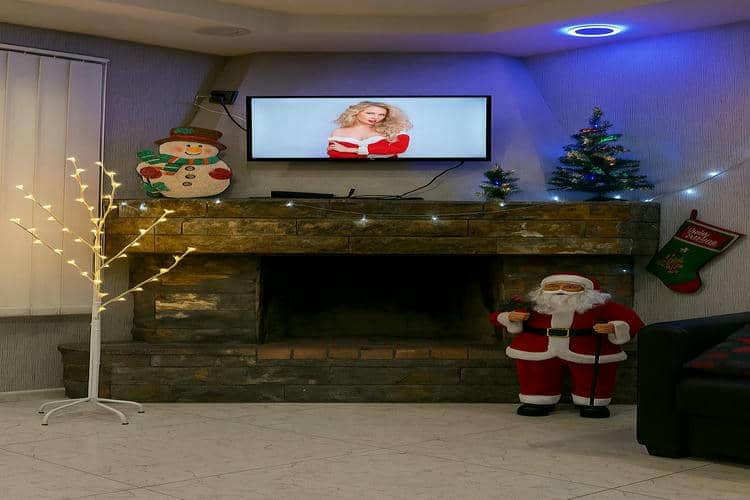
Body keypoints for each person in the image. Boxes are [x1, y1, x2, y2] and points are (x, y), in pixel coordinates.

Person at [489, 273, 644, 418]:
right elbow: (495, 317)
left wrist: (615, 327)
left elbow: (633, 322)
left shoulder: (603, 306)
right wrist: (510, 317)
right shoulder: (534, 306)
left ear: (587, 290)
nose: (560, 290)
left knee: (592, 376)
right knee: (536, 374)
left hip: (587, 349)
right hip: (537, 348)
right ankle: (537, 400)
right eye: (553, 287)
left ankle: (592, 402)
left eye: (570, 287)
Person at [327, 101, 412, 159]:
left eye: (381, 115)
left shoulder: (394, 130)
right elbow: (336, 155)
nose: (376, 117)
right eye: (370, 113)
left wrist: (349, 150)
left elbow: (399, 148)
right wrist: (377, 152)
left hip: (388, 172)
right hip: (347, 173)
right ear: (356, 113)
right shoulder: (338, 132)